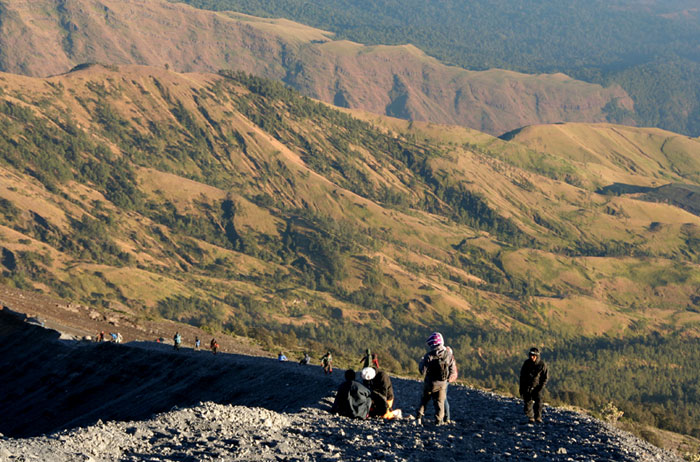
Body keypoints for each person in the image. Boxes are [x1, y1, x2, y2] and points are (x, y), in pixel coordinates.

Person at [415, 332, 457, 426]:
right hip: (442, 383)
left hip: (430, 382)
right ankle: (439, 421)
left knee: (424, 400)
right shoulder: (448, 355)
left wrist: (421, 362)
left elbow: (422, 371)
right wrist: (448, 380)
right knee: (440, 403)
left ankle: (418, 418)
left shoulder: (428, 355)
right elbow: (452, 370)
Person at [520, 347, 548, 424]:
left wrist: (540, 388)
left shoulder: (542, 365)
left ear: (537, 356)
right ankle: (530, 418)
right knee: (527, 402)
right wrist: (521, 388)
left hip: (537, 387)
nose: (532, 357)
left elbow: (544, 378)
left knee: (538, 402)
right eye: (531, 355)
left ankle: (538, 417)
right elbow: (522, 376)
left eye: (534, 355)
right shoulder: (526, 363)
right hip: (527, 386)